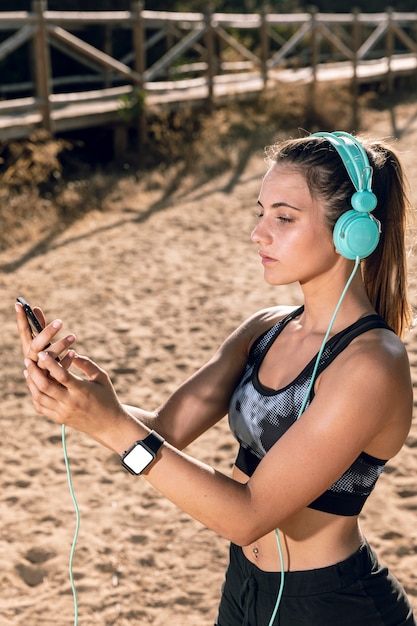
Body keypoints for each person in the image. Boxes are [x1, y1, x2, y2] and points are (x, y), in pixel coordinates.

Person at [16, 131, 416, 625]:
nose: (258, 232)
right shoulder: (267, 328)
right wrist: (74, 395)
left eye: (284, 217)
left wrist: (110, 426)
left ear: (351, 231)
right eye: (260, 211)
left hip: (332, 606)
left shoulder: (370, 364)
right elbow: (164, 432)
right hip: (244, 590)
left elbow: (245, 516)